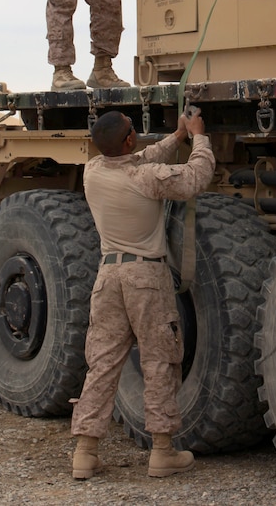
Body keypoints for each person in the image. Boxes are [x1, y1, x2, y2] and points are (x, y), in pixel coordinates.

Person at [71, 109, 215, 480]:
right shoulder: (147, 179)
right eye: (133, 132)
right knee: (160, 361)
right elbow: (197, 177)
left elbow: (139, 159)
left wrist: (176, 137)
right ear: (130, 140)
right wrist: (199, 137)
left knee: (102, 363)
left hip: (108, 277)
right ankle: (163, 452)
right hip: (146, 277)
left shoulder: (93, 171)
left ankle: (85, 453)